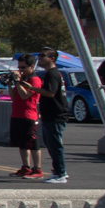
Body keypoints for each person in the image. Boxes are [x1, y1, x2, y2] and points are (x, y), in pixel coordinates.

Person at [36, 48, 69, 184]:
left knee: (55, 145)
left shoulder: (53, 74)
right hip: (49, 114)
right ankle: (57, 172)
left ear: (52, 58)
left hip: (55, 114)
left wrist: (32, 88)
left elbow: (50, 93)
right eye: (39, 55)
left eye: (43, 56)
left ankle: (61, 174)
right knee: (50, 144)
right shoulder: (49, 73)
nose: (39, 58)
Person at [10, 54, 44, 178]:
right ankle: (26, 167)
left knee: (32, 143)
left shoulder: (34, 80)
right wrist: (10, 83)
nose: (21, 70)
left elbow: (25, 96)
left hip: (28, 115)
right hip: (17, 114)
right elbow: (14, 97)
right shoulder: (23, 79)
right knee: (22, 144)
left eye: (23, 67)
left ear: (31, 66)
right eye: (19, 67)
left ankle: (37, 169)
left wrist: (18, 82)